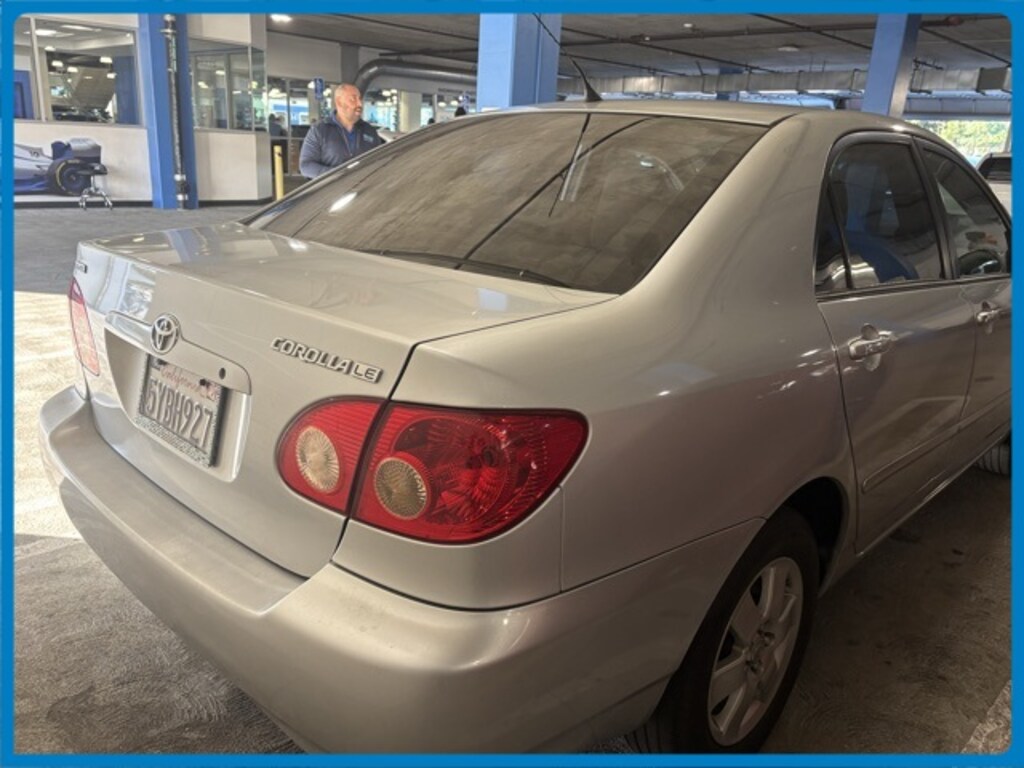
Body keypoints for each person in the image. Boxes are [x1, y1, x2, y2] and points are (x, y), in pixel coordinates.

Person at [299, 83, 383, 178]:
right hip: (331, 191)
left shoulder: (370, 131)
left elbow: (379, 162)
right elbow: (306, 166)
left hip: (364, 190)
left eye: (359, 99)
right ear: (339, 102)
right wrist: (339, 175)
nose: (359, 104)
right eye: (353, 99)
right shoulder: (319, 130)